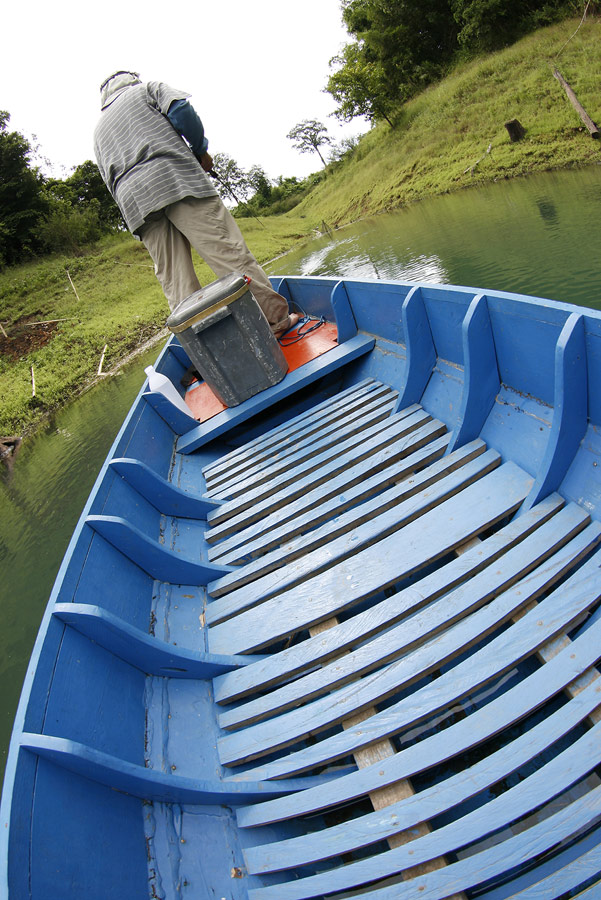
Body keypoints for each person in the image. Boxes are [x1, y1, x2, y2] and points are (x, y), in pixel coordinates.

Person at [93, 70, 298, 336]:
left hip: (134, 203)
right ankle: (277, 322)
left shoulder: (98, 131)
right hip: (175, 178)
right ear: (132, 79)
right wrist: (200, 150)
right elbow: (181, 110)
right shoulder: (146, 89)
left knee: (176, 282)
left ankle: (210, 352)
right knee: (227, 252)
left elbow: (108, 181)